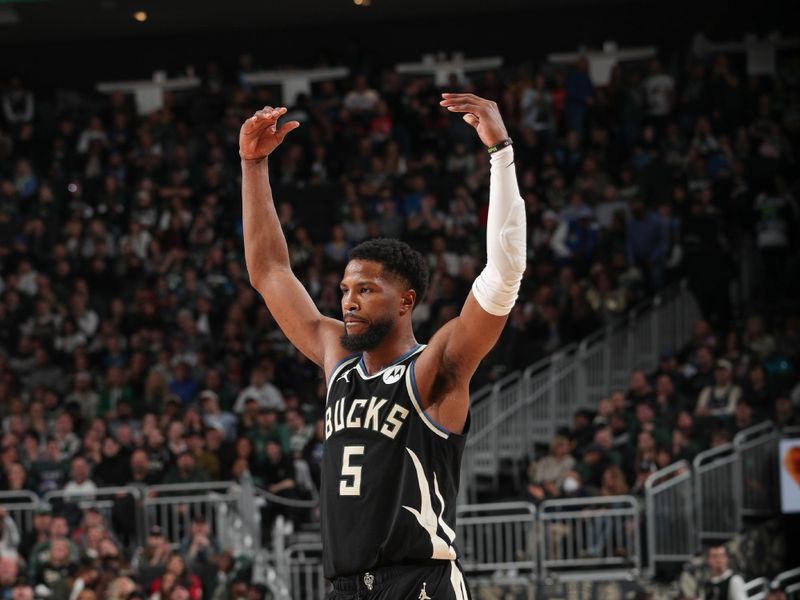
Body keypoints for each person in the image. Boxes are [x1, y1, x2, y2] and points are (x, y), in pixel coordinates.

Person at [239, 93, 526, 598]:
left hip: (418, 582)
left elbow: (503, 274)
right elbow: (269, 271)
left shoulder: (433, 370)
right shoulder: (337, 356)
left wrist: (500, 151)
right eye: (345, 290)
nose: (348, 302)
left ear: (405, 300)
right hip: (345, 587)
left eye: (366, 290)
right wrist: (253, 164)